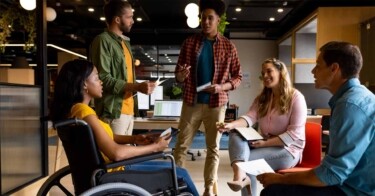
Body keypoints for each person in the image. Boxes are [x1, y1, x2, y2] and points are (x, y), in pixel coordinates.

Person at [50, 59, 199, 196]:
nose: (101, 82)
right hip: (114, 172)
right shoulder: (84, 112)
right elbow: (116, 153)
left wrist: (135, 138)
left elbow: (105, 139)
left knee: (175, 169)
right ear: (84, 84)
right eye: (96, 77)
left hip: (106, 170)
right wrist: (155, 147)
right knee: (180, 173)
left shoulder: (75, 112)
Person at [257, 41, 375, 196]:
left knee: (273, 192)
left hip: (354, 190)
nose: (313, 71)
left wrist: (281, 179)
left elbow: (331, 175)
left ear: (334, 69)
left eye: (318, 66)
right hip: (351, 183)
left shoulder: (349, 105)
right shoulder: (357, 97)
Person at [173, 0, 242, 195]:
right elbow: (177, 75)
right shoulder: (189, 43)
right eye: (203, 18)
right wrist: (181, 76)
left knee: (213, 148)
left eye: (210, 18)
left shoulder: (229, 46)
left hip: (216, 104)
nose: (206, 22)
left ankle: (208, 189)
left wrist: (222, 87)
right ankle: (178, 184)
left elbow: (238, 77)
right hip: (191, 102)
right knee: (181, 146)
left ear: (218, 20)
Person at [218, 58, 307, 195]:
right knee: (235, 132)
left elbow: (293, 135)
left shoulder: (296, 98)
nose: (265, 76)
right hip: (265, 144)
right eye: (262, 73)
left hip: (288, 151)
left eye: (269, 71)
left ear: (281, 72)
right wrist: (231, 125)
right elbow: (249, 117)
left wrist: (264, 144)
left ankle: (241, 175)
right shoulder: (262, 98)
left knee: (246, 163)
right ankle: (240, 175)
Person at [90, 0, 155, 136]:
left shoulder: (125, 43)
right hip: (113, 111)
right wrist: (137, 87)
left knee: (125, 155)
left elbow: (126, 79)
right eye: (129, 17)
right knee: (115, 155)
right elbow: (103, 79)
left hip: (128, 110)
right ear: (117, 19)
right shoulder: (102, 41)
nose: (132, 21)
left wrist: (141, 86)